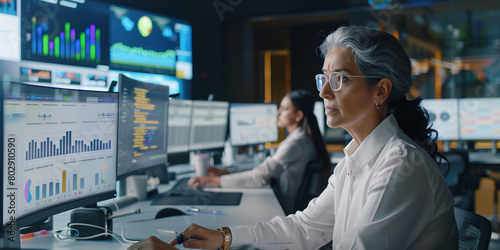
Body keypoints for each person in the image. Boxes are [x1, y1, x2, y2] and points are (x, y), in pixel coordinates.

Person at [128, 25, 458, 250]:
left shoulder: (400, 167)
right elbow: (305, 228)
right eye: (324, 78)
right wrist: (225, 238)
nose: (325, 91)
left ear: (380, 90)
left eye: (339, 79)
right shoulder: (355, 161)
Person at [187, 89, 331, 215]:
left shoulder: (295, 145)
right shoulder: (303, 140)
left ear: (298, 116)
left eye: (284, 109)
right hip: (285, 206)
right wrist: (224, 172)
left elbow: (259, 176)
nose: (278, 112)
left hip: (283, 210)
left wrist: (213, 180)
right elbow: (263, 169)